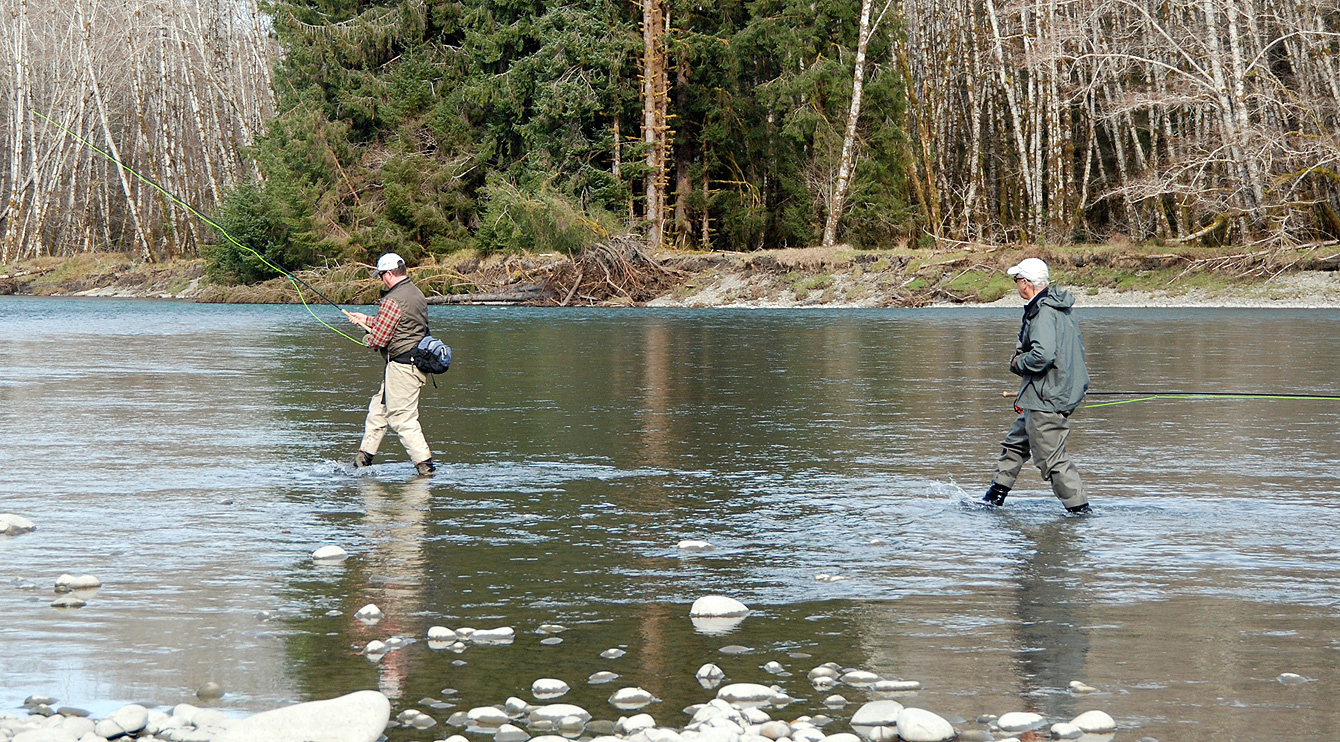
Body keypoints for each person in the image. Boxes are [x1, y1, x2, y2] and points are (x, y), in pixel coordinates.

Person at [983, 257, 1091, 513]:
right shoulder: (1058, 309)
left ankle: (1080, 512)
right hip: (1041, 396)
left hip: (1046, 399)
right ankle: (993, 499)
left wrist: (1017, 363)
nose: (1016, 285)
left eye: (1017, 280)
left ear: (1026, 283)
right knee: (1015, 445)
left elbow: (1042, 356)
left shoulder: (1043, 312)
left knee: (1052, 461)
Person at [346, 253, 436, 476]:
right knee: (378, 410)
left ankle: (426, 468)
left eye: (381, 275)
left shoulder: (392, 300)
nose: (381, 280)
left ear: (388, 274)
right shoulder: (415, 293)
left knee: (402, 418)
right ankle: (362, 460)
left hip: (402, 368)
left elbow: (379, 340)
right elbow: (398, 324)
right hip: (414, 365)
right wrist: (364, 320)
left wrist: (367, 338)